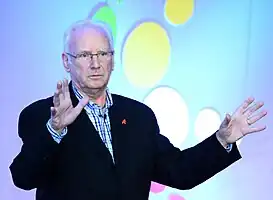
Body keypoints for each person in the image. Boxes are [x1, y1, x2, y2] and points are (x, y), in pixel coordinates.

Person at [9, 20, 267, 200]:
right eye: (85, 55)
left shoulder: (139, 116)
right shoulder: (41, 115)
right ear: (67, 61)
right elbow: (22, 177)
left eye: (103, 53)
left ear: (113, 59)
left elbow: (179, 172)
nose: (96, 64)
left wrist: (221, 140)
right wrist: (55, 130)